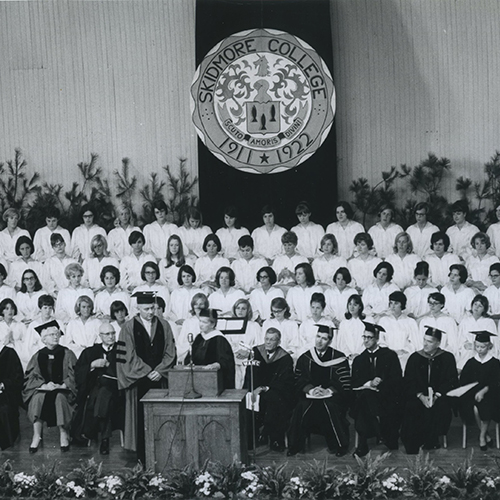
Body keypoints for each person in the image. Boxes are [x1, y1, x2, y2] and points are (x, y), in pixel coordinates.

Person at [116, 291, 176, 456]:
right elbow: (127, 355)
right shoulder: (128, 328)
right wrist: (148, 371)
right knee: (140, 419)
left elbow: (170, 352)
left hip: (160, 378)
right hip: (139, 380)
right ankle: (142, 456)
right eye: (147, 309)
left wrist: (160, 370)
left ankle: (163, 452)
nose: (151, 312)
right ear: (138, 308)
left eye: (153, 308)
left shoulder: (164, 325)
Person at [287, 327, 351, 456]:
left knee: (330, 406)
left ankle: (339, 446)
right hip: (310, 395)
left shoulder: (339, 358)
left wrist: (328, 391)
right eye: (318, 337)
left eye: (324, 338)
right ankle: (295, 446)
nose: (319, 341)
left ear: (330, 341)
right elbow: (298, 379)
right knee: (301, 406)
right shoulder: (305, 357)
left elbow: (343, 382)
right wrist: (311, 390)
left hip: (331, 395)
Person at [400, 326, 458, 454]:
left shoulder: (447, 358)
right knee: (412, 406)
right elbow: (409, 380)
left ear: (438, 343)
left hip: (439, 396)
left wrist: (436, 396)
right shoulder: (415, 357)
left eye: (430, 341)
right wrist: (421, 396)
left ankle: (432, 440)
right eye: (424, 340)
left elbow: (451, 380)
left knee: (439, 407)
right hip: (418, 396)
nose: (425, 344)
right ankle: (415, 441)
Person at [23, 320, 77, 453]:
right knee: (37, 398)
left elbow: (75, 374)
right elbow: (31, 376)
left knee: (59, 398)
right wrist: (43, 385)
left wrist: (63, 384)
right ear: (44, 339)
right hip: (44, 389)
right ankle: (36, 435)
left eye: (57, 334)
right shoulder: (38, 356)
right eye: (52, 334)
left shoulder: (67, 353)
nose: (56, 336)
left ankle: (64, 434)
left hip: (63, 390)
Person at [351, 322, 403, 456]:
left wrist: (381, 384)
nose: (366, 341)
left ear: (377, 339)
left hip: (386, 396)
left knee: (365, 402)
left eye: (370, 338)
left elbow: (397, 378)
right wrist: (369, 383)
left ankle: (364, 444)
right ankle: (380, 434)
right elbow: (354, 382)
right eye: (364, 337)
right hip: (367, 397)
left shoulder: (390, 356)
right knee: (365, 397)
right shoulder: (359, 359)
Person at [72, 322, 124, 455]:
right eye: (107, 334)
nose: (111, 336)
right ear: (100, 336)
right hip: (93, 389)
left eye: (113, 333)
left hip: (115, 389)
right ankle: (104, 439)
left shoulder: (122, 350)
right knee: (102, 397)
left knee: (103, 394)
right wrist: (92, 365)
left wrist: (109, 366)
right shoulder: (90, 351)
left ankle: (94, 434)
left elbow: (125, 372)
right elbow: (78, 372)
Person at [243, 327, 294, 452]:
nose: (268, 342)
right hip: (256, 390)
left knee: (274, 401)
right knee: (248, 401)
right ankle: (251, 440)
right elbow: (249, 374)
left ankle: (274, 439)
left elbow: (285, 382)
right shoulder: (256, 352)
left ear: (278, 342)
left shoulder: (285, 358)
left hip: (275, 391)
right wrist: (252, 389)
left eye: (272, 340)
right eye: (266, 339)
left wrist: (265, 388)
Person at [459, 331, 500, 450]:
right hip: (471, 394)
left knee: (483, 406)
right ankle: (486, 435)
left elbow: (497, 382)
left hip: (491, 394)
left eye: (483, 347)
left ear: (489, 347)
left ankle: (482, 436)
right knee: (474, 408)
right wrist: (473, 391)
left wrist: (484, 391)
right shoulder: (471, 362)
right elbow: (464, 381)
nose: (479, 349)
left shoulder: (495, 363)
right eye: (477, 346)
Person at [185, 308, 235, 390]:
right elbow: (190, 357)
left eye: (204, 322)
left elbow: (227, 361)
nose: (201, 324)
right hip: (197, 379)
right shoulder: (199, 338)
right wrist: (190, 363)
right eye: (200, 321)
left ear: (213, 324)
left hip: (214, 381)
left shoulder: (219, 339)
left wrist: (217, 365)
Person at [378, 291, 418, 370]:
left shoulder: (410, 322)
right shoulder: (383, 321)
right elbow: (380, 340)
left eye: (396, 303)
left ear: (402, 305)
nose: (392, 306)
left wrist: (404, 351)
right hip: (387, 357)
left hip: (405, 357)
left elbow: (415, 342)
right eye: (391, 303)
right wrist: (390, 352)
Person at [456, 295, 498, 370]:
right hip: (467, 352)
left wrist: (476, 346)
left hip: (484, 351)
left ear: (484, 309)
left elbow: (493, 342)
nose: (476, 307)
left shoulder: (489, 322)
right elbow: (460, 339)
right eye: (475, 304)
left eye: (480, 306)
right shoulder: (465, 321)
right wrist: (466, 345)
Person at [0, 322, 23, 450]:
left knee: (4, 409)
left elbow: (17, 377)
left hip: (5, 392)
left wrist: (3, 384)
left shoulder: (9, 353)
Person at [229, 298, 261, 388]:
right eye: (238, 308)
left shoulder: (254, 325)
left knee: (248, 385)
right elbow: (227, 342)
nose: (240, 311)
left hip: (249, 360)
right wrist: (237, 351)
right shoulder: (230, 324)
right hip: (234, 358)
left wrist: (248, 352)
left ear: (248, 311)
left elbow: (259, 343)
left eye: (243, 309)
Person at [336, 294, 369, 362]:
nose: (352, 307)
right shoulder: (344, 323)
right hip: (348, 357)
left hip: (363, 356)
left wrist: (358, 354)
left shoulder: (366, 322)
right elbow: (341, 343)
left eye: (355, 305)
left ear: (360, 306)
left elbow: (367, 341)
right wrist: (349, 354)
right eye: (350, 304)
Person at [0, 298, 28, 368]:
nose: (10, 311)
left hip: (18, 354)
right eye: (6, 308)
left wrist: (14, 341)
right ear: (2, 311)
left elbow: (26, 343)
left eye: (12, 308)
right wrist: (5, 342)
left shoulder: (21, 325)